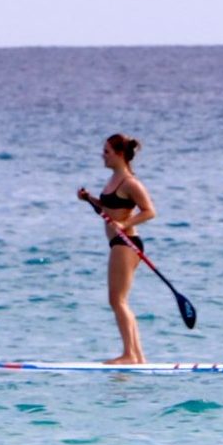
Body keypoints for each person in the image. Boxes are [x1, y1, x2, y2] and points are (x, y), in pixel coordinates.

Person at [77, 133, 156, 364]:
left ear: (120, 154)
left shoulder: (130, 183)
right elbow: (109, 210)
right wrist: (90, 199)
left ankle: (130, 355)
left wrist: (125, 224)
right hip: (118, 243)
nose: (103, 155)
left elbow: (149, 211)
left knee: (117, 300)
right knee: (120, 300)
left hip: (126, 244)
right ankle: (137, 356)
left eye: (107, 152)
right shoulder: (113, 180)